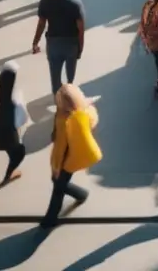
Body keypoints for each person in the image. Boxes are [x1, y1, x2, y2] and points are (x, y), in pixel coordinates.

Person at [41, 84, 101, 229]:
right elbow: (93, 120)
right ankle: (81, 194)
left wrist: (55, 166)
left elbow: (60, 147)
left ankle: (50, 219)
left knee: (58, 187)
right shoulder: (87, 112)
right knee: (60, 184)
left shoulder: (63, 119)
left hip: (67, 157)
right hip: (78, 154)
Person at [31, 0, 85, 95]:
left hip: (54, 44)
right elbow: (81, 29)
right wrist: (80, 49)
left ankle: (59, 106)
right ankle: (69, 102)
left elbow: (41, 24)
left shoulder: (45, 2)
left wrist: (35, 42)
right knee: (70, 80)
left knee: (55, 81)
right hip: (71, 44)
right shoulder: (75, 3)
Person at [0, 61, 27, 185]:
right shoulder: (14, 99)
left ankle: (11, 170)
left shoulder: (4, 90)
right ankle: (8, 175)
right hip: (10, 129)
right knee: (19, 153)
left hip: (1, 126)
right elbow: (22, 117)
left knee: (11, 150)